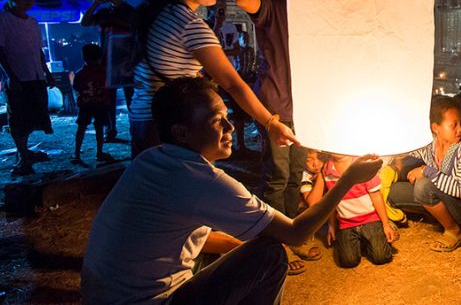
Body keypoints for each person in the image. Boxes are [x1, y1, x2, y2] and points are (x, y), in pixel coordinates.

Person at [81, 77, 383, 304]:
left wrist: (239, 247)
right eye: (216, 120)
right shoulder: (200, 180)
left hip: (106, 297)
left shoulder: (152, 159)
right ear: (182, 132)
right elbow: (296, 233)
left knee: (243, 247)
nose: (230, 127)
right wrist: (348, 180)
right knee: (270, 254)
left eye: (227, 116)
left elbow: (189, 239)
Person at [128, 0, 295, 157]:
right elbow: (233, 84)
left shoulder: (162, 13)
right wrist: (271, 123)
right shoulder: (190, 25)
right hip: (167, 124)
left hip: (143, 116)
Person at [234, 0, 319, 265]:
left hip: (304, 107)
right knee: (277, 176)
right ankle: (274, 243)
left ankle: (290, 232)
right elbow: (243, 0)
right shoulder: (272, 5)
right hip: (276, 107)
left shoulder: (310, 11)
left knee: (296, 174)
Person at [388, 95, 461, 252]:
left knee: (423, 186)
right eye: (454, 125)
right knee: (394, 191)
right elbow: (404, 150)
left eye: (460, 123)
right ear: (435, 127)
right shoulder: (430, 145)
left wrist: (425, 170)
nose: (460, 129)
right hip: (442, 199)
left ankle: (453, 230)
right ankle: (439, 216)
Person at [0, 0, 56, 176]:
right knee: (18, 118)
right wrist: (11, 77)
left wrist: (47, 73)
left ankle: (24, 152)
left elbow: (38, 51)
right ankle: (23, 157)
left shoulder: (32, 22)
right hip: (18, 78)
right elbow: (1, 52)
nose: (28, 0)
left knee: (33, 117)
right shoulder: (4, 20)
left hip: (35, 76)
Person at [308, 153, 397, 268]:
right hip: (346, 223)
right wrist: (332, 226)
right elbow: (332, 201)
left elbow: (376, 196)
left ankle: (375, 236)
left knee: (381, 257)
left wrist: (386, 225)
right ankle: (363, 241)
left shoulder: (363, 165)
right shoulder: (327, 169)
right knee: (348, 262)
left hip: (369, 219)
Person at [80, 0, 136, 141]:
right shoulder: (104, 12)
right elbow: (85, 22)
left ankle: (135, 129)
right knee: (108, 99)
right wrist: (95, 5)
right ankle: (111, 131)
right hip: (107, 61)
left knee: (131, 97)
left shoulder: (130, 12)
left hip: (126, 62)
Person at [205, 0, 249, 153]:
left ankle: (241, 144)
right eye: (218, 6)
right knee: (213, 110)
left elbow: (237, 49)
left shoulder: (230, 27)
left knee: (238, 107)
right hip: (211, 75)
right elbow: (208, 48)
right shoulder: (206, 27)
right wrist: (217, 25)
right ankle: (213, 144)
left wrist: (223, 53)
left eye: (223, 6)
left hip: (230, 71)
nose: (222, 9)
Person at [71, 43, 115, 165]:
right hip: (101, 104)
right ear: (100, 57)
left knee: (81, 128)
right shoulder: (104, 72)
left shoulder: (80, 73)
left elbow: (76, 87)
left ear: (84, 58)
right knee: (99, 128)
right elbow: (110, 88)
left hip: (85, 105)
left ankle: (77, 153)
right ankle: (99, 153)